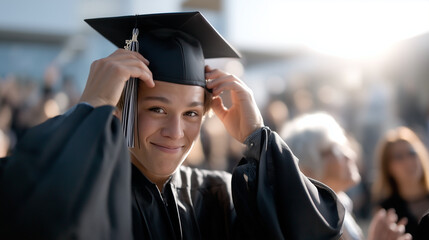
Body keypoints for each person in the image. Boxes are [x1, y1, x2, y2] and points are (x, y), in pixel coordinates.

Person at [0, 12, 344, 239]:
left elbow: (308, 230)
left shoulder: (216, 195)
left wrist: (258, 136)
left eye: (192, 113)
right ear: (124, 104)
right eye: (158, 109)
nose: (176, 132)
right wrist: (91, 108)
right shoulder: (93, 190)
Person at [281, 112, 412, 240]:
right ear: (307, 168)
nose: (349, 155)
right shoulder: (313, 222)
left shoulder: (341, 205)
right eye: (336, 149)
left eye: (345, 146)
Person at [372, 126, 429, 237]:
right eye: (399, 157)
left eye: (412, 153)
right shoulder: (386, 212)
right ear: (388, 167)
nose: (408, 161)